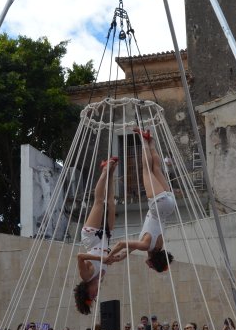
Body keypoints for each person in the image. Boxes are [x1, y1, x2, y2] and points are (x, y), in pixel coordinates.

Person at [107, 128, 175, 272]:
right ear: (153, 262)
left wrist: (120, 257)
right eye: (152, 267)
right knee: (146, 170)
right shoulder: (146, 246)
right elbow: (121, 244)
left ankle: (151, 142)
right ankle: (143, 140)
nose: (149, 267)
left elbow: (131, 248)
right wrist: (108, 256)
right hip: (158, 205)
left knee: (156, 169)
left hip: (169, 206)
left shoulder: (158, 246)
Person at [74, 157, 119, 314]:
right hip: (105, 239)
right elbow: (105, 258)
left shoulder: (86, 276)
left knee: (99, 202)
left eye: (92, 296)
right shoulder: (101, 278)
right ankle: (111, 173)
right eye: (94, 298)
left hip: (91, 237)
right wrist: (112, 258)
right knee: (111, 203)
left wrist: (102, 259)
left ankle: (105, 169)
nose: (95, 295)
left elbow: (80, 256)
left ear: (86, 291)